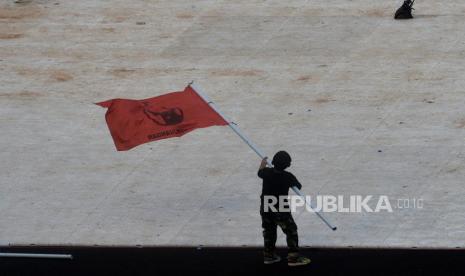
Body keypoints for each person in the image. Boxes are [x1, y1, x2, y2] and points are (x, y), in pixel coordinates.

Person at [258, 151, 311, 266]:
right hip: (280, 208)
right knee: (291, 230)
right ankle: (293, 258)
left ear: (273, 162)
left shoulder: (266, 172)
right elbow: (298, 186)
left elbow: (260, 172)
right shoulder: (288, 177)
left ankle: (269, 255)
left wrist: (263, 163)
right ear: (288, 165)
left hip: (266, 206)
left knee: (269, 231)